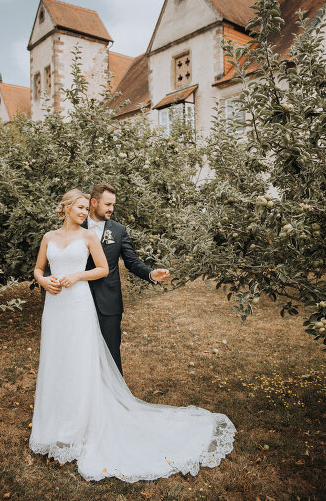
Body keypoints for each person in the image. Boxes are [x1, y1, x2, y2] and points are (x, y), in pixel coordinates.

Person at [30, 189, 235, 482]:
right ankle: (56, 420)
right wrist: (44, 279)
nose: (89, 212)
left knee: (98, 357)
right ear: (74, 206)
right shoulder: (55, 235)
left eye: (90, 208)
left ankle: (94, 414)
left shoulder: (106, 233)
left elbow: (122, 263)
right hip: (59, 305)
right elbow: (39, 268)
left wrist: (148, 274)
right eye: (86, 206)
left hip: (91, 301)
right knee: (58, 358)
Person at [81, 183, 170, 374]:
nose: (111, 209)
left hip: (109, 301)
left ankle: (114, 399)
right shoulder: (75, 226)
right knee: (80, 351)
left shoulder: (119, 230)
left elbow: (132, 261)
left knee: (111, 354)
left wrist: (150, 274)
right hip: (79, 298)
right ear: (94, 202)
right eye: (107, 204)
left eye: (113, 205)